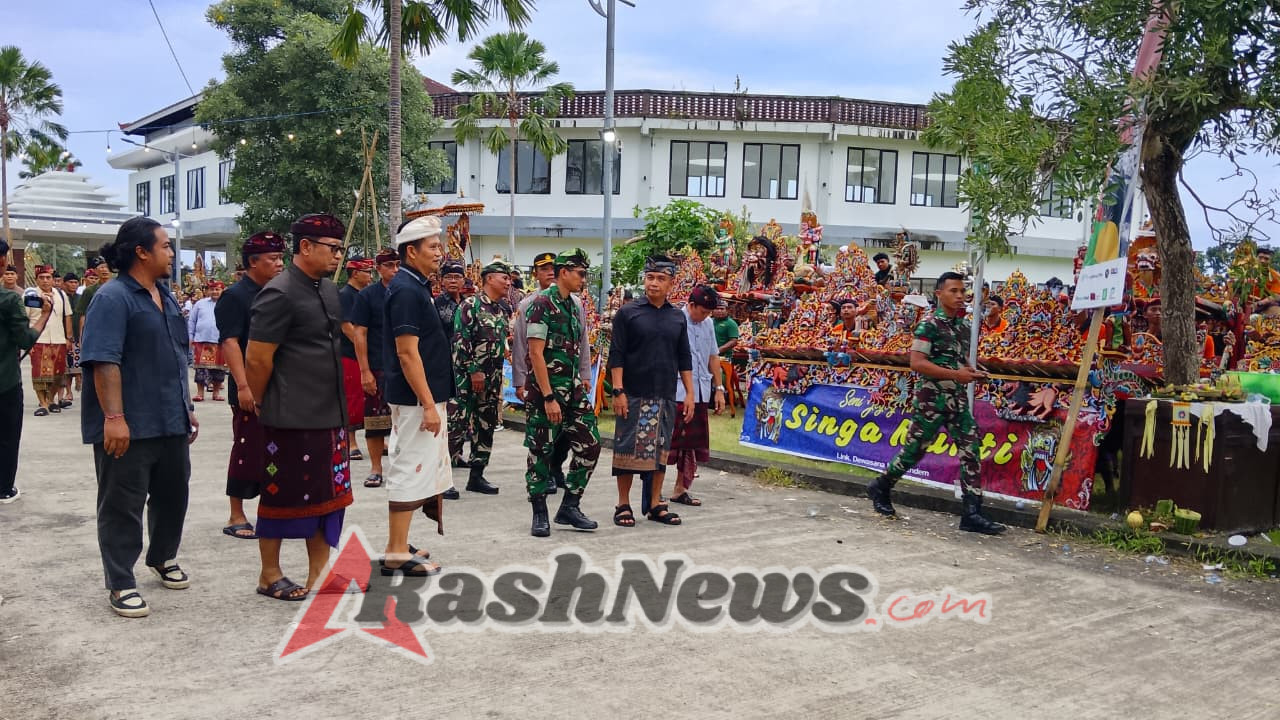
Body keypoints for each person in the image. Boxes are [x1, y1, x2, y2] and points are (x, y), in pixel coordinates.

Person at [80, 217, 199, 618]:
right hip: (129, 423)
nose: (171, 252)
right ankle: (121, 581)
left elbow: (177, 356)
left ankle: (162, 556)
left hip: (170, 418)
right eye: (164, 246)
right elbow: (103, 360)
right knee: (121, 504)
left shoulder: (164, 294)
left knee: (173, 495)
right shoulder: (113, 298)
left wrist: (187, 407)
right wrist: (114, 416)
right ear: (141, 252)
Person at [246, 213, 355, 601]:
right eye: (332, 248)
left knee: (328, 497)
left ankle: (320, 574)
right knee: (282, 493)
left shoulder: (325, 288)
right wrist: (261, 401)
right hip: (291, 416)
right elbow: (258, 359)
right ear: (305, 246)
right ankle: (269, 573)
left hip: (329, 413)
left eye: (340, 249)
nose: (337, 256)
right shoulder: (279, 292)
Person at [865, 272, 1006, 535]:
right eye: (953, 291)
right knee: (914, 452)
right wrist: (958, 375)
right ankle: (881, 486)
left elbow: (959, 359)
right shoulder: (928, 325)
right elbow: (917, 363)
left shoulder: (963, 328)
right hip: (931, 400)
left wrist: (974, 371)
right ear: (939, 294)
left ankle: (972, 513)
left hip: (957, 400)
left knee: (971, 450)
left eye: (962, 291)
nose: (960, 295)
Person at [380, 215, 454, 575]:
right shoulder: (407, 290)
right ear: (412, 252)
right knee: (410, 468)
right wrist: (428, 404)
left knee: (419, 469)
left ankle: (400, 541)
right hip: (414, 399)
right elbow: (407, 353)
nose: (440, 252)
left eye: (439, 245)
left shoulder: (414, 285)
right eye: (433, 246)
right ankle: (395, 551)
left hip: (421, 395)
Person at [609, 256, 694, 528]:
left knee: (660, 451)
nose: (654, 283)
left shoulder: (677, 316)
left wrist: (690, 393)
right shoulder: (628, 313)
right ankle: (623, 503)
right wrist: (618, 390)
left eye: (660, 279)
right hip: (632, 393)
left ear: (671, 283)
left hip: (665, 395)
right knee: (627, 451)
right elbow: (617, 355)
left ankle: (656, 503)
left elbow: (684, 357)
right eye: (650, 277)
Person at [214, 231, 286, 540]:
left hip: (281, 387)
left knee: (277, 452)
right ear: (252, 263)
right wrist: (243, 386)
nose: (279, 264)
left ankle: (272, 509)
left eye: (281, 258)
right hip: (249, 387)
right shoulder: (236, 296)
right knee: (248, 448)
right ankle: (236, 513)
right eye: (273, 259)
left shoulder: (279, 293)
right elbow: (230, 342)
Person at [522, 248, 600, 537]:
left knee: (590, 445)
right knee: (541, 450)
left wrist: (582, 379)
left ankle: (569, 505)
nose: (583, 279)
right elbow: (535, 353)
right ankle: (539, 512)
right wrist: (548, 397)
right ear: (563, 273)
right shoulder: (541, 303)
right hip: (547, 393)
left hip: (573, 390)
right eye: (580, 273)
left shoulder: (573, 305)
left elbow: (578, 347)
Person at [511, 251, 586, 496]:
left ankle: (559, 475)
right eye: (544, 270)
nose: (549, 274)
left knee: (573, 438)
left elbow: (582, 342)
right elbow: (525, 348)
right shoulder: (532, 304)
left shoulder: (574, 304)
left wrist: (584, 373)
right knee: (542, 443)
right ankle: (542, 495)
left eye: (552, 269)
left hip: (570, 387)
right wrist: (520, 382)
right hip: (544, 387)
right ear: (535, 274)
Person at [447, 260, 511, 495]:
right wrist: (474, 370)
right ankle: (440, 480)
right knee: (456, 427)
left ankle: (477, 476)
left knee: (486, 426)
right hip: (467, 379)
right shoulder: (470, 305)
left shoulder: (501, 309)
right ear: (488, 279)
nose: (508, 282)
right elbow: (460, 341)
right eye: (503, 277)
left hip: (492, 380)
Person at [1, 239, 54, 504]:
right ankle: (4, 488)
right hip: (5, 381)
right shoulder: (9, 300)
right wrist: (44, 315)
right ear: (2, 263)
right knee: (8, 436)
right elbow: (24, 339)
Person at [666, 286, 726, 508]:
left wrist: (719, 389)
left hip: (701, 390)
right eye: (703, 312)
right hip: (677, 391)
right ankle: (653, 492)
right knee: (668, 441)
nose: (706, 316)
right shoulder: (674, 320)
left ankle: (680, 488)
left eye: (709, 313)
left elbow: (713, 356)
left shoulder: (708, 323)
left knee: (690, 444)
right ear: (691, 305)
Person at [352, 248, 398, 489]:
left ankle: (406, 470)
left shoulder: (409, 292)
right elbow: (359, 333)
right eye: (389, 265)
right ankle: (376, 468)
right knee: (375, 421)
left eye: (397, 264)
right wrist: (364, 370)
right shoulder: (367, 296)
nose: (394, 270)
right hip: (378, 366)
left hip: (405, 366)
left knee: (408, 421)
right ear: (378, 269)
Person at [339, 258, 375, 461]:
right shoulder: (345, 295)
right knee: (352, 397)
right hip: (349, 354)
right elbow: (346, 326)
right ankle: (351, 441)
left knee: (370, 400)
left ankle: (376, 438)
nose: (370, 276)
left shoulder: (364, 295)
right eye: (367, 272)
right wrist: (363, 347)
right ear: (355, 274)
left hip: (366, 354)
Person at [25, 265, 72, 416]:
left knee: (57, 374)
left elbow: (67, 316)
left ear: (53, 279)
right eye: (42, 278)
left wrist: (69, 337)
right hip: (38, 339)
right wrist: (27, 340)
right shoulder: (30, 295)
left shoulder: (61, 295)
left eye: (48, 277)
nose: (45, 281)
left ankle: (51, 400)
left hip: (58, 339)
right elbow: (24, 319)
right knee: (39, 373)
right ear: (37, 279)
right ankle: (43, 404)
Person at [188, 280, 227, 402]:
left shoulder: (228, 304)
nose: (215, 292)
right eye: (212, 289)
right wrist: (190, 336)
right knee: (201, 369)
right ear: (208, 291)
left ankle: (216, 393)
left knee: (219, 370)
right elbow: (192, 321)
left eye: (217, 289)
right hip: (201, 341)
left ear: (222, 290)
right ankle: (200, 394)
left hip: (220, 341)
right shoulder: (200, 304)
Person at [63, 273, 83, 398]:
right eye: (71, 282)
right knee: (66, 366)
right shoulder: (62, 297)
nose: (73, 285)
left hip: (79, 336)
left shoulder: (81, 298)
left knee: (78, 363)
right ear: (65, 283)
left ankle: (79, 380)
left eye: (76, 282)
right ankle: (68, 391)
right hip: (64, 336)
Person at [435, 259, 465, 343]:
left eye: (457, 277)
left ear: (463, 281)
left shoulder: (468, 303)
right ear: (442, 281)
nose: (453, 281)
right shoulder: (436, 304)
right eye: (448, 277)